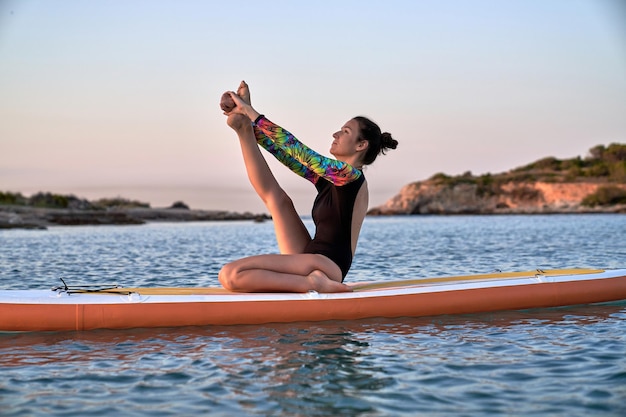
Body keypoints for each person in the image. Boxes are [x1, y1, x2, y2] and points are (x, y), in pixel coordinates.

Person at [218, 81, 398, 293]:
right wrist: (246, 124)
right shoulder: (328, 178)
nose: (335, 135)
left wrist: (251, 112)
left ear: (361, 145)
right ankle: (243, 132)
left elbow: (299, 150)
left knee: (231, 275)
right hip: (312, 256)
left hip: (327, 266)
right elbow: (285, 153)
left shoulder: (349, 175)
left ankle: (313, 283)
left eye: (345, 132)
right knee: (277, 200)